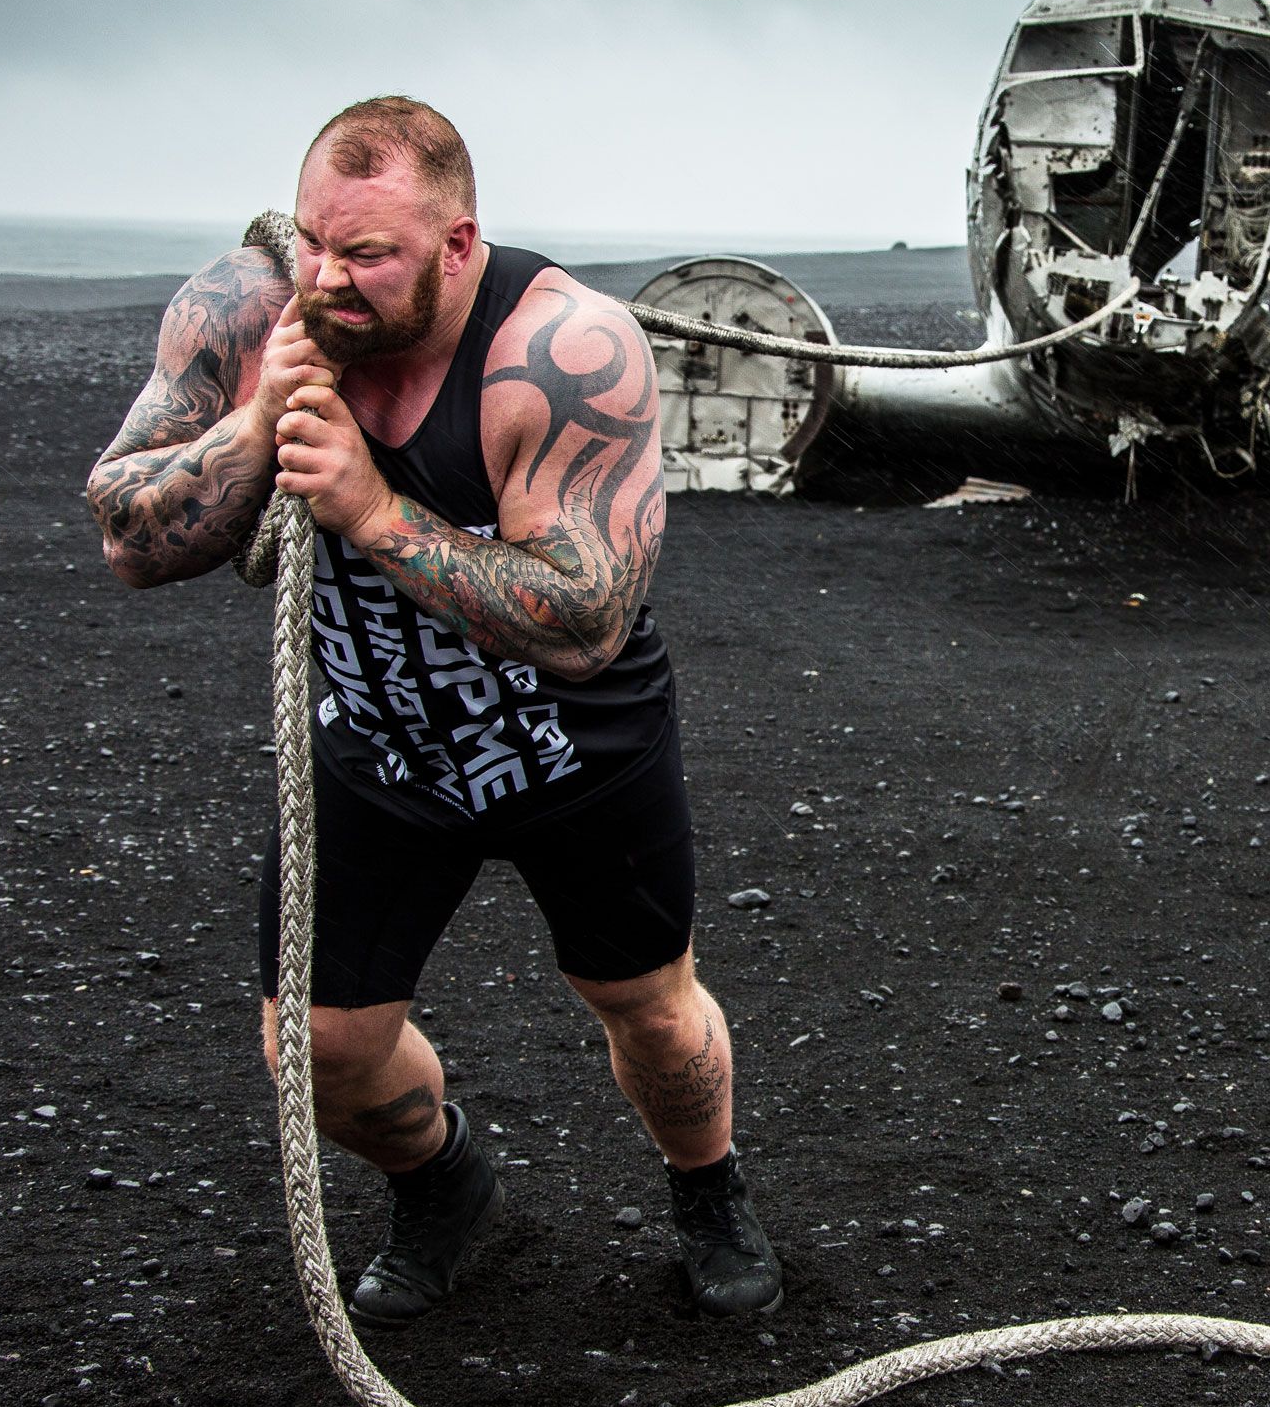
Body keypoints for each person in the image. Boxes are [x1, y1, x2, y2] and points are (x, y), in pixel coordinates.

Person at [85, 95, 780, 1327]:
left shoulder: (564, 350)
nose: (329, 281)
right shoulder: (247, 312)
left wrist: (369, 509)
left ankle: (706, 1189)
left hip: (575, 750)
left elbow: (581, 622)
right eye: (315, 243)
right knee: (321, 1058)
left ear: (458, 245)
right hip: (380, 748)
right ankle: (446, 1181)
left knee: (651, 1015)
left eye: (369, 257)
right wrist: (262, 420)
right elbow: (131, 539)